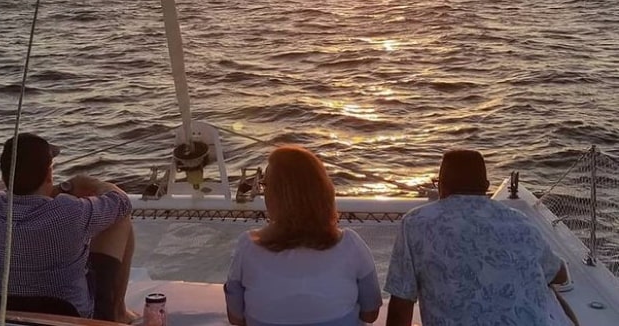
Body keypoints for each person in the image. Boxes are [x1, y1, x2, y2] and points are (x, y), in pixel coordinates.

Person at [385, 149, 572, 326]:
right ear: (486, 187)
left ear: (442, 186)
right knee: (550, 292)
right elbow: (560, 275)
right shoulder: (519, 221)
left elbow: (401, 305)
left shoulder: (416, 222)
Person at [0, 133, 135, 322]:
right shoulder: (68, 211)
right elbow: (122, 202)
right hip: (68, 318)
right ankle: (118, 312)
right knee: (120, 218)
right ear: (49, 173)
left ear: (4, 175)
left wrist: (55, 189)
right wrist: (89, 183)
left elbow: (9, 192)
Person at [224, 145, 382, 326]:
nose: (263, 191)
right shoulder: (351, 246)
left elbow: (236, 317)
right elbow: (370, 314)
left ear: (277, 195)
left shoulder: (248, 247)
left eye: (265, 185)